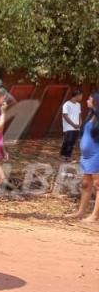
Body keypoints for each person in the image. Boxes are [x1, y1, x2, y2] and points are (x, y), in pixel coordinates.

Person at [66, 92, 99, 222]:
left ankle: (95, 215)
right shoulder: (91, 116)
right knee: (86, 184)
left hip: (96, 155)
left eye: (90, 99)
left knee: (97, 184)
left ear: (96, 101)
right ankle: (80, 212)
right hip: (86, 157)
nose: (87, 100)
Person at [60, 90, 83, 161]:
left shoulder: (78, 105)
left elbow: (79, 115)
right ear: (77, 95)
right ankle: (64, 155)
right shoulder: (67, 104)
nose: (82, 97)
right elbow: (65, 115)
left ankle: (67, 155)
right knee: (68, 140)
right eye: (81, 96)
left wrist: (80, 123)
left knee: (72, 141)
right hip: (69, 126)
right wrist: (73, 124)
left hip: (76, 126)